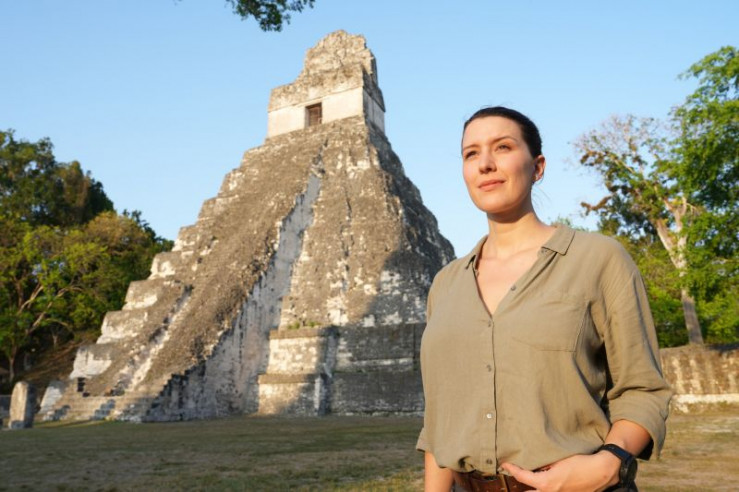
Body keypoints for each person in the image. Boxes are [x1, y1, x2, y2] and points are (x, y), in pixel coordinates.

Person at [416, 107, 672, 492]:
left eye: (502, 147)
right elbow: (439, 419)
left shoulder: (597, 259)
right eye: (471, 154)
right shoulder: (445, 284)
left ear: (537, 167)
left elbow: (643, 389)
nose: (485, 164)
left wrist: (608, 464)